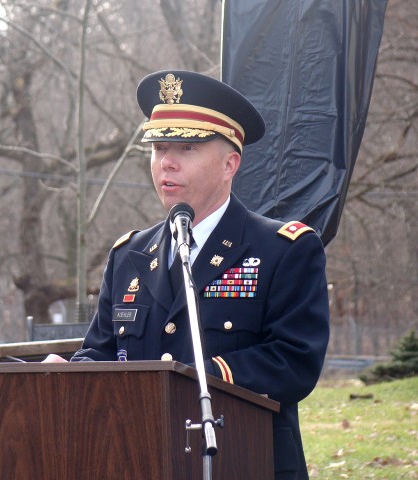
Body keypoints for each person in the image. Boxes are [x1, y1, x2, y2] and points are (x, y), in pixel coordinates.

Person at [46, 69, 330, 480]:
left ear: (230, 163)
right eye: (159, 148)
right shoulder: (130, 256)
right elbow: (105, 352)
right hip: (140, 459)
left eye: (185, 148)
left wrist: (192, 380)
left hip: (245, 461)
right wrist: (68, 372)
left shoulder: (284, 250)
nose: (167, 163)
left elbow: (294, 361)